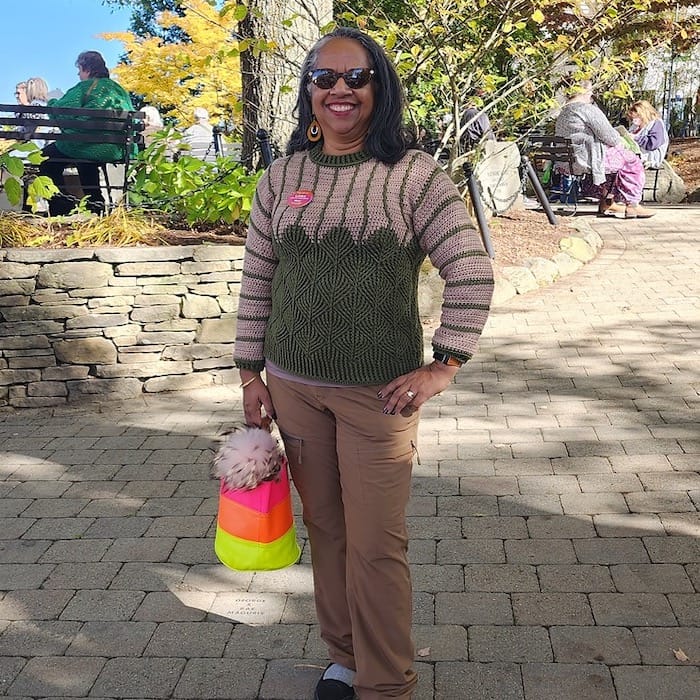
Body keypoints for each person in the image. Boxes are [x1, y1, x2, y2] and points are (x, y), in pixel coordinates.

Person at [233, 26, 494, 700]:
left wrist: (446, 364)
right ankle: (345, 659)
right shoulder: (283, 176)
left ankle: (387, 684)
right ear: (308, 93)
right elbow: (259, 279)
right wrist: (248, 373)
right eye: (325, 78)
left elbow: (470, 269)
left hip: (378, 396)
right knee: (328, 531)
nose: (340, 90)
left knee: (377, 545)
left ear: (380, 86)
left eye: (356, 78)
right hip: (293, 388)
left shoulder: (412, 176)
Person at [38, 50, 134, 216]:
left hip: (84, 145)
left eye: (80, 70)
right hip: (115, 148)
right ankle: (95, 206)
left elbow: (62, 111)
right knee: (86, 157)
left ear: (87, 69)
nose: (78, 74)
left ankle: (62, 204)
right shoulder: (119, 90)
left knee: (45, 159)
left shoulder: (84, 87)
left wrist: (52, 101)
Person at [555, 80, 654, 219]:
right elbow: (611, 137)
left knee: (617, 159)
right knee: (632, 161)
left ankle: (607, 202)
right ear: (583, 91)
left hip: (568, 161)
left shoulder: (564, 112)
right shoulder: (587, 109)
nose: (591, 94)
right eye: (590, 90)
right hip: (587, 159)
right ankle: (632, 205)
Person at [627, 100, 669, 169]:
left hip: (650, 161)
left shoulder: (656, 124)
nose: (633, 120)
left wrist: (635, 138)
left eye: (635, 117)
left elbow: (653, 143)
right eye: (632, 118)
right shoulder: (634, 126)